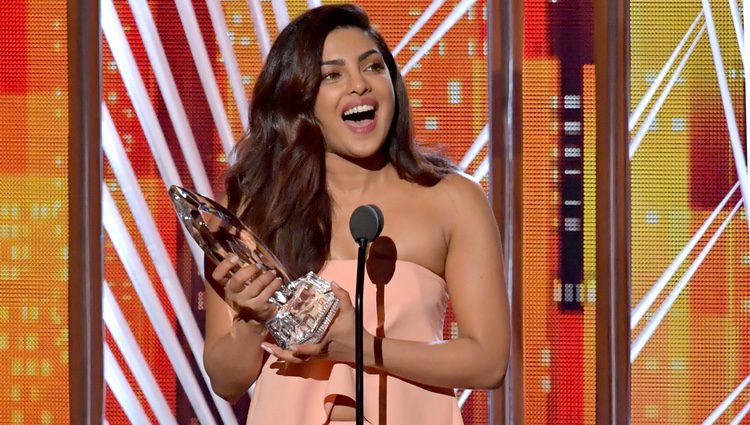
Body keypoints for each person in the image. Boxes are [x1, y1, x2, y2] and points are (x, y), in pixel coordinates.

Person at [203, 4, 509, 424]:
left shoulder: (452, 199)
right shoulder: (256, 212)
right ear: (299, 99)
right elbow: (226, 380)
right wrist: (254, 323)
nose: (359, 86)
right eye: (332, 75)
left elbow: (488, 361)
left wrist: (361, 347)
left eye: (373, 68)